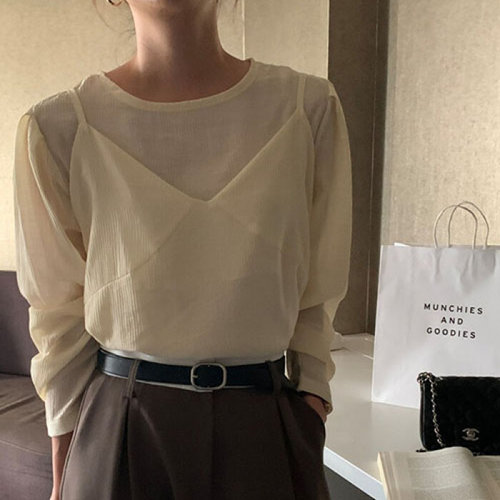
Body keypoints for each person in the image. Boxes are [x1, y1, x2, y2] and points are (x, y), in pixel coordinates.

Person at [12, 0, 352, 498]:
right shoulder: (59, 127)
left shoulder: (308, 108)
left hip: (263, 423)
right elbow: (56, 315)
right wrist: (67, 464)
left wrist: (311, 405)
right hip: (120, 424)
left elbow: (320, 289)